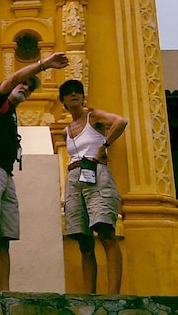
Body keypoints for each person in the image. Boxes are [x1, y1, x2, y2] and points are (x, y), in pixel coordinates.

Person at [0, 52, 69, 291]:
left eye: (30, 88)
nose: (25, 87)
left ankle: (5, 291)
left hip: (5, 173)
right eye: (23, 83)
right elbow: (13, 79)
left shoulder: (11, 113)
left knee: (3, 237)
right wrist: (43, 65)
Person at [59, 79, 128, 294]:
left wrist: (104, 146)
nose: (74, 95)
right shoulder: (66, 131)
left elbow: (120, 121)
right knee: (83, 240)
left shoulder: (93, 117)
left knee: (106, 233)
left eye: (77, 92)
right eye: (69, 93)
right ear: (63, 101)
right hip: (74, 177)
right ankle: (89, 294)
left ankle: (113, 295)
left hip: (96, 173)